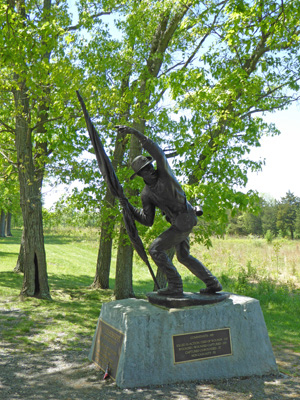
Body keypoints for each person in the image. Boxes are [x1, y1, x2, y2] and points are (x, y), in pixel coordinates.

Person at [116, 125, 222, 297]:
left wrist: (135, 133)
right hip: (178, 223)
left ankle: (175, 285)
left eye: (149, 167)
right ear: (141, 175)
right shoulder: (146, 194)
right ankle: (213, 283)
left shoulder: (165, 174)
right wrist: (128, 207)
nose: (149, 171)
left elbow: (159, 154)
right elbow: (147, 220)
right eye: (145, 171)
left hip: (186, 218)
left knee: (155, 249)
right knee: (183, 257)